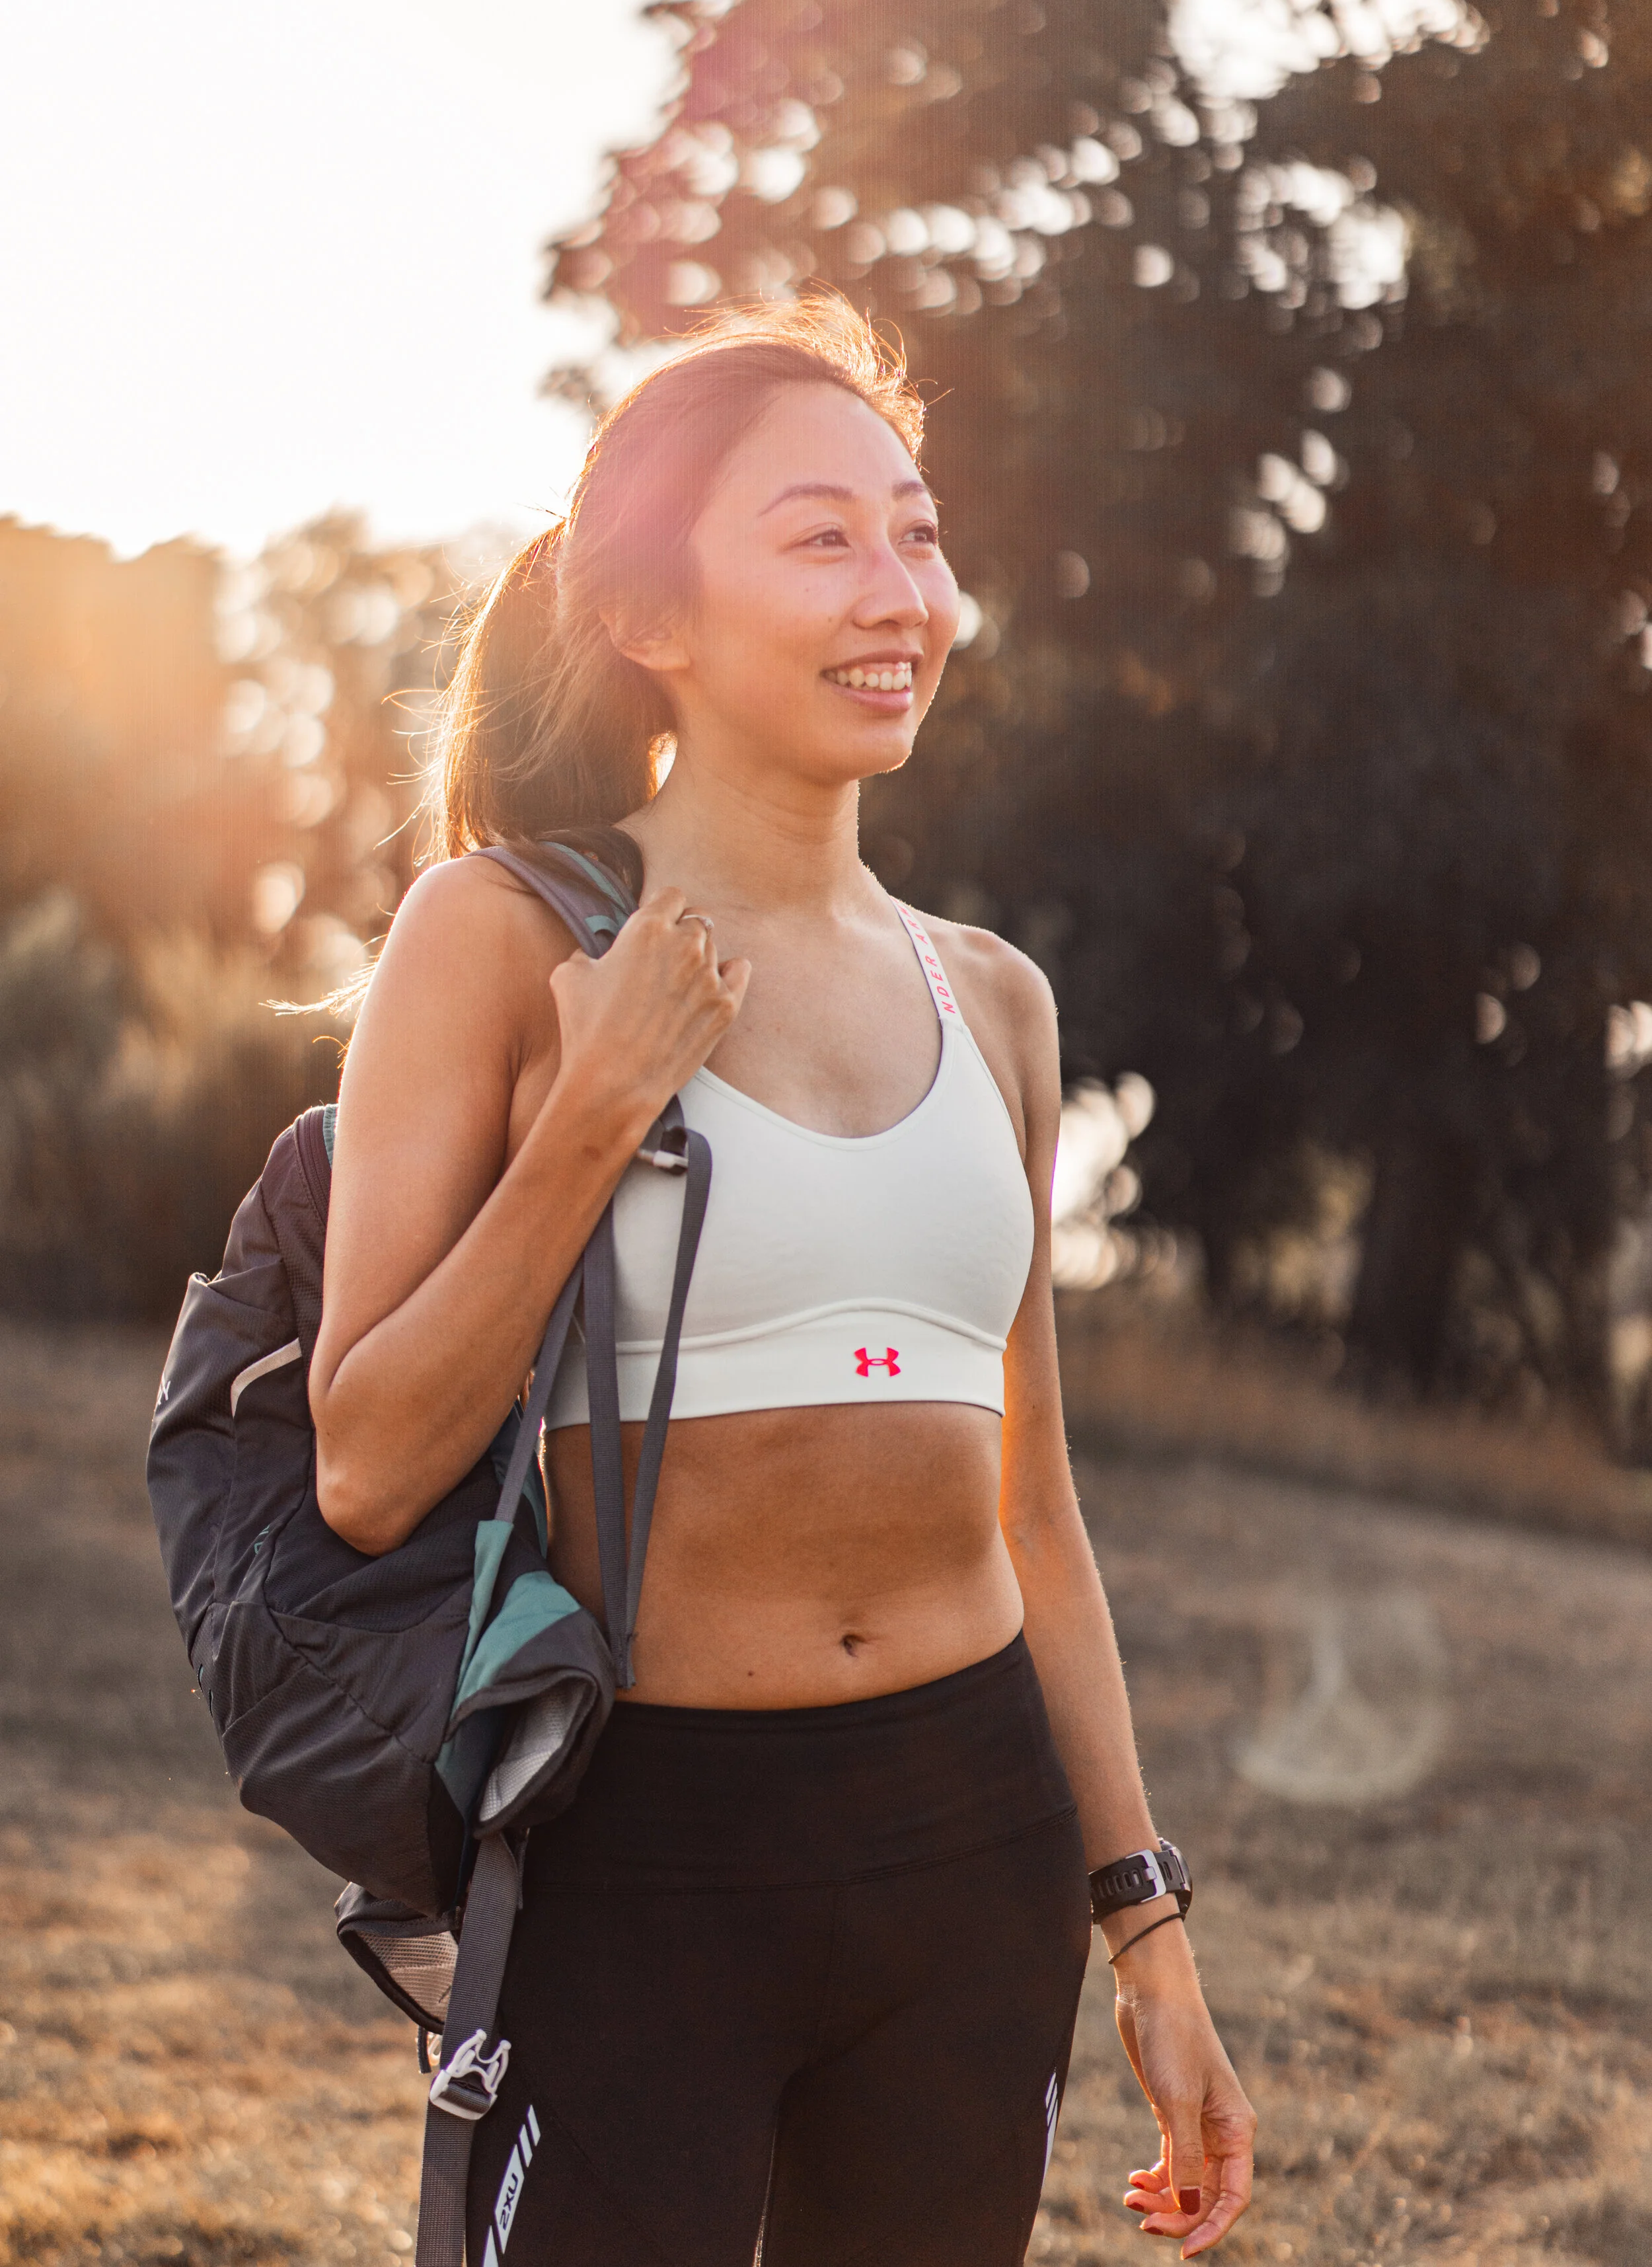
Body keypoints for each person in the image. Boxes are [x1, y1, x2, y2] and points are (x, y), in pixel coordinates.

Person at [309, 291, 1255, 2267]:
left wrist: (1143, 1927)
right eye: (818, 535)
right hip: (636, 1848)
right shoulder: (491, 936)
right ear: (650, 616)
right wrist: (596, 1111)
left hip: (965, 1857)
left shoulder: (990, 998)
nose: (895, 586)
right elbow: (368, 1459)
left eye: (914, 529)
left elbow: (1038, 1513)